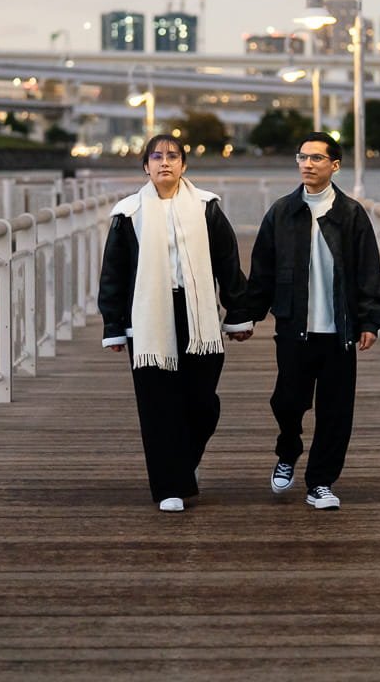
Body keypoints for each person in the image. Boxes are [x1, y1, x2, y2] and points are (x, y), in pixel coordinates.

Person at [98, 134, 254, 512]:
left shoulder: (206, 208)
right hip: (149, 317)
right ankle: (170, 485)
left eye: (172, 156)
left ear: (184, 165)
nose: (164, 162)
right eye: (156, 156)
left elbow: (228, 265)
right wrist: (113, 326)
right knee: (157, 404)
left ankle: (184, 461)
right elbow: (114, 275)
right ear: (145, 166)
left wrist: (237, 315)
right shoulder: (128, 213)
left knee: (202, 403)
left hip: (197, 315)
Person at [246, 131, 380, 510]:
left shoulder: (350, 214)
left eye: (316, 158)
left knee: (336, 411)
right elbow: (261, 269)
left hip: (339, 332)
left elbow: (368, 271)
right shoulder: (281, 212)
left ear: (335, 165)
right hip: (295, 327)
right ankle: (287, 450)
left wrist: (370, 321)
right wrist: (246, 316)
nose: (307, 164)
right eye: (302, 157)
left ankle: (321, 482)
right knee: (288, 401)